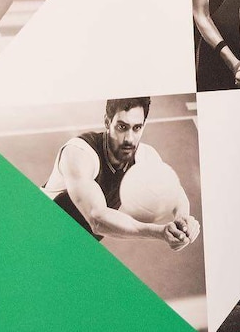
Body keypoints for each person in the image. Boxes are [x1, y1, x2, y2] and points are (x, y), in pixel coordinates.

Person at [41, 97, 201, 250]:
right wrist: (159, 232)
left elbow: (174, 192)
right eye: (122, 127)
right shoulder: (79, 154)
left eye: (137, 128)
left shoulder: (145, 157)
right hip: (39, 233)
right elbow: (97, 219)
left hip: (75, 247)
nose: (129, 139)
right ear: (107, 122)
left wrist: (183, 220)